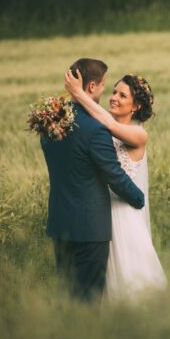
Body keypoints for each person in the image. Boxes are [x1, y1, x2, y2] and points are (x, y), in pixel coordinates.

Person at [41, 58, 145, 303]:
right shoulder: (95, 129)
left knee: (68, 298)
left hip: (60, 223)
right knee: (88, 302)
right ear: (91, 87)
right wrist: (139, 198)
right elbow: (114, 174)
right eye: (104, 86)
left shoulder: (51, 122)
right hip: (90, 229)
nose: (107, 94)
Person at [65, 67, 167, 303]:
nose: (113, 97)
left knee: (129, 286)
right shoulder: (100, 128)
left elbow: (110, 126)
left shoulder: (139, 135)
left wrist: (79, 94)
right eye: (113, 91)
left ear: (136, 106)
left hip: (124, 217)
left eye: (122, 95)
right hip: (99, 215)